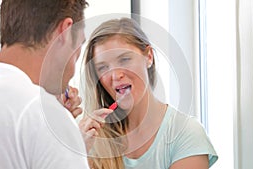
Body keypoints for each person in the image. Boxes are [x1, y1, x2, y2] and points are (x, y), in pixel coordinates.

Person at [79, 17, 218, 169]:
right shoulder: (95, 140)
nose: (115, 75)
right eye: (103, 67)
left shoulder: (187, 133)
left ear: (149, 56)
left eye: (124, 59)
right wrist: (79, 152)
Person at [0, 0, 89, 168]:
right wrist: (61, 129)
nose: (74, 68)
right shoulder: (43, 115)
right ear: (66, 31)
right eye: (79, 45)